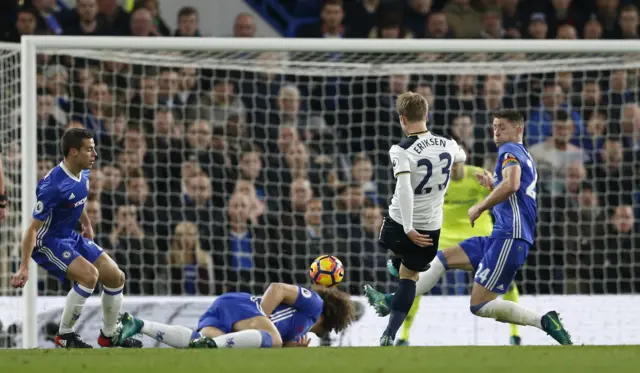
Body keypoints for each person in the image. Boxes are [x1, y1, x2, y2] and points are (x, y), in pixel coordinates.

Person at [366, 109, 572, 345]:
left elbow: (513, 185)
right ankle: (389, 302)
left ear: (519, 129)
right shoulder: (523, 154)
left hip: (510, 236)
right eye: (494, 126)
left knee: (479, 305)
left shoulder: (509, 150)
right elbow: (516, 189)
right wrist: (494, 184)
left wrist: (480, 206)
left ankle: (543, 322)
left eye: (502, 127)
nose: (496, 131)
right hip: (496, 237)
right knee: (442, 259)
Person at [10, 128, 141, 348]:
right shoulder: (52, 186)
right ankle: (65, 335)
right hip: (47, 241)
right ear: (73, 152)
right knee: (90, 276)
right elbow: (32, 230)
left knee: (116, 276)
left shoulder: (84, 172)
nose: (95, 154)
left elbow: (77, 200)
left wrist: (86, 223)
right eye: (89, 149)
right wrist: (24, 267)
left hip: (70, 235)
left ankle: (110, 335)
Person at [375, 154, 524, 346]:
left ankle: (515, 334)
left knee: (506, 279)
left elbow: (502, 198)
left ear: (465, 161)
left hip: (478, 233)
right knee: (414, 278)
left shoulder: (479, 176)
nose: (453, 168)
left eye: (457, 164)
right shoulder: (435, 181)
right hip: (444, 237)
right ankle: (403, 335)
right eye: (449, 165)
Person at [370, 92, 466, 346]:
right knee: (409, 277)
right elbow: (461, 157)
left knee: (398, 258)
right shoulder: (448, 144)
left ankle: (392, 281)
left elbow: (403, 189)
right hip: (431, 229)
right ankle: (389, 334)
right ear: (427, 115)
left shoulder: (401, 149)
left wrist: (409, 227)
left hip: (398, 225)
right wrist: (457, 166)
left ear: (403, 119)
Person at [112, 283, 355, 348]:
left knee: (199, 344)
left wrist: (291, 347)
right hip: (242, 305)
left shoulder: (299, 329)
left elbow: (270, 342)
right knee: (275, 340)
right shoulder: (315, 304)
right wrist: (264, 318)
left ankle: (138, 324)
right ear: (331, 319)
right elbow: (277, 289)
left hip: (228, 310)